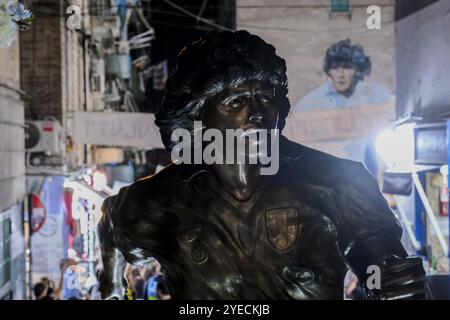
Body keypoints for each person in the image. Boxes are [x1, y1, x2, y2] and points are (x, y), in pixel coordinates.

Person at [97, 30, 428, 300]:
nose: (257, 112)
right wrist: (113, 290)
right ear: (197, 114)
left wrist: (391, 281)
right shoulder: (161, 200)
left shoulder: (338, 182)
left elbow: (384, 268)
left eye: (267, 96)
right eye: (237, 100)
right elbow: (112, 222)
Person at [294, 39, 392, 111]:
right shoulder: (312, 101)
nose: (341, 75)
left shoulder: (377, 94)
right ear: (329, 71)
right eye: (335, 68)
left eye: (347, 67)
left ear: (356, 70)